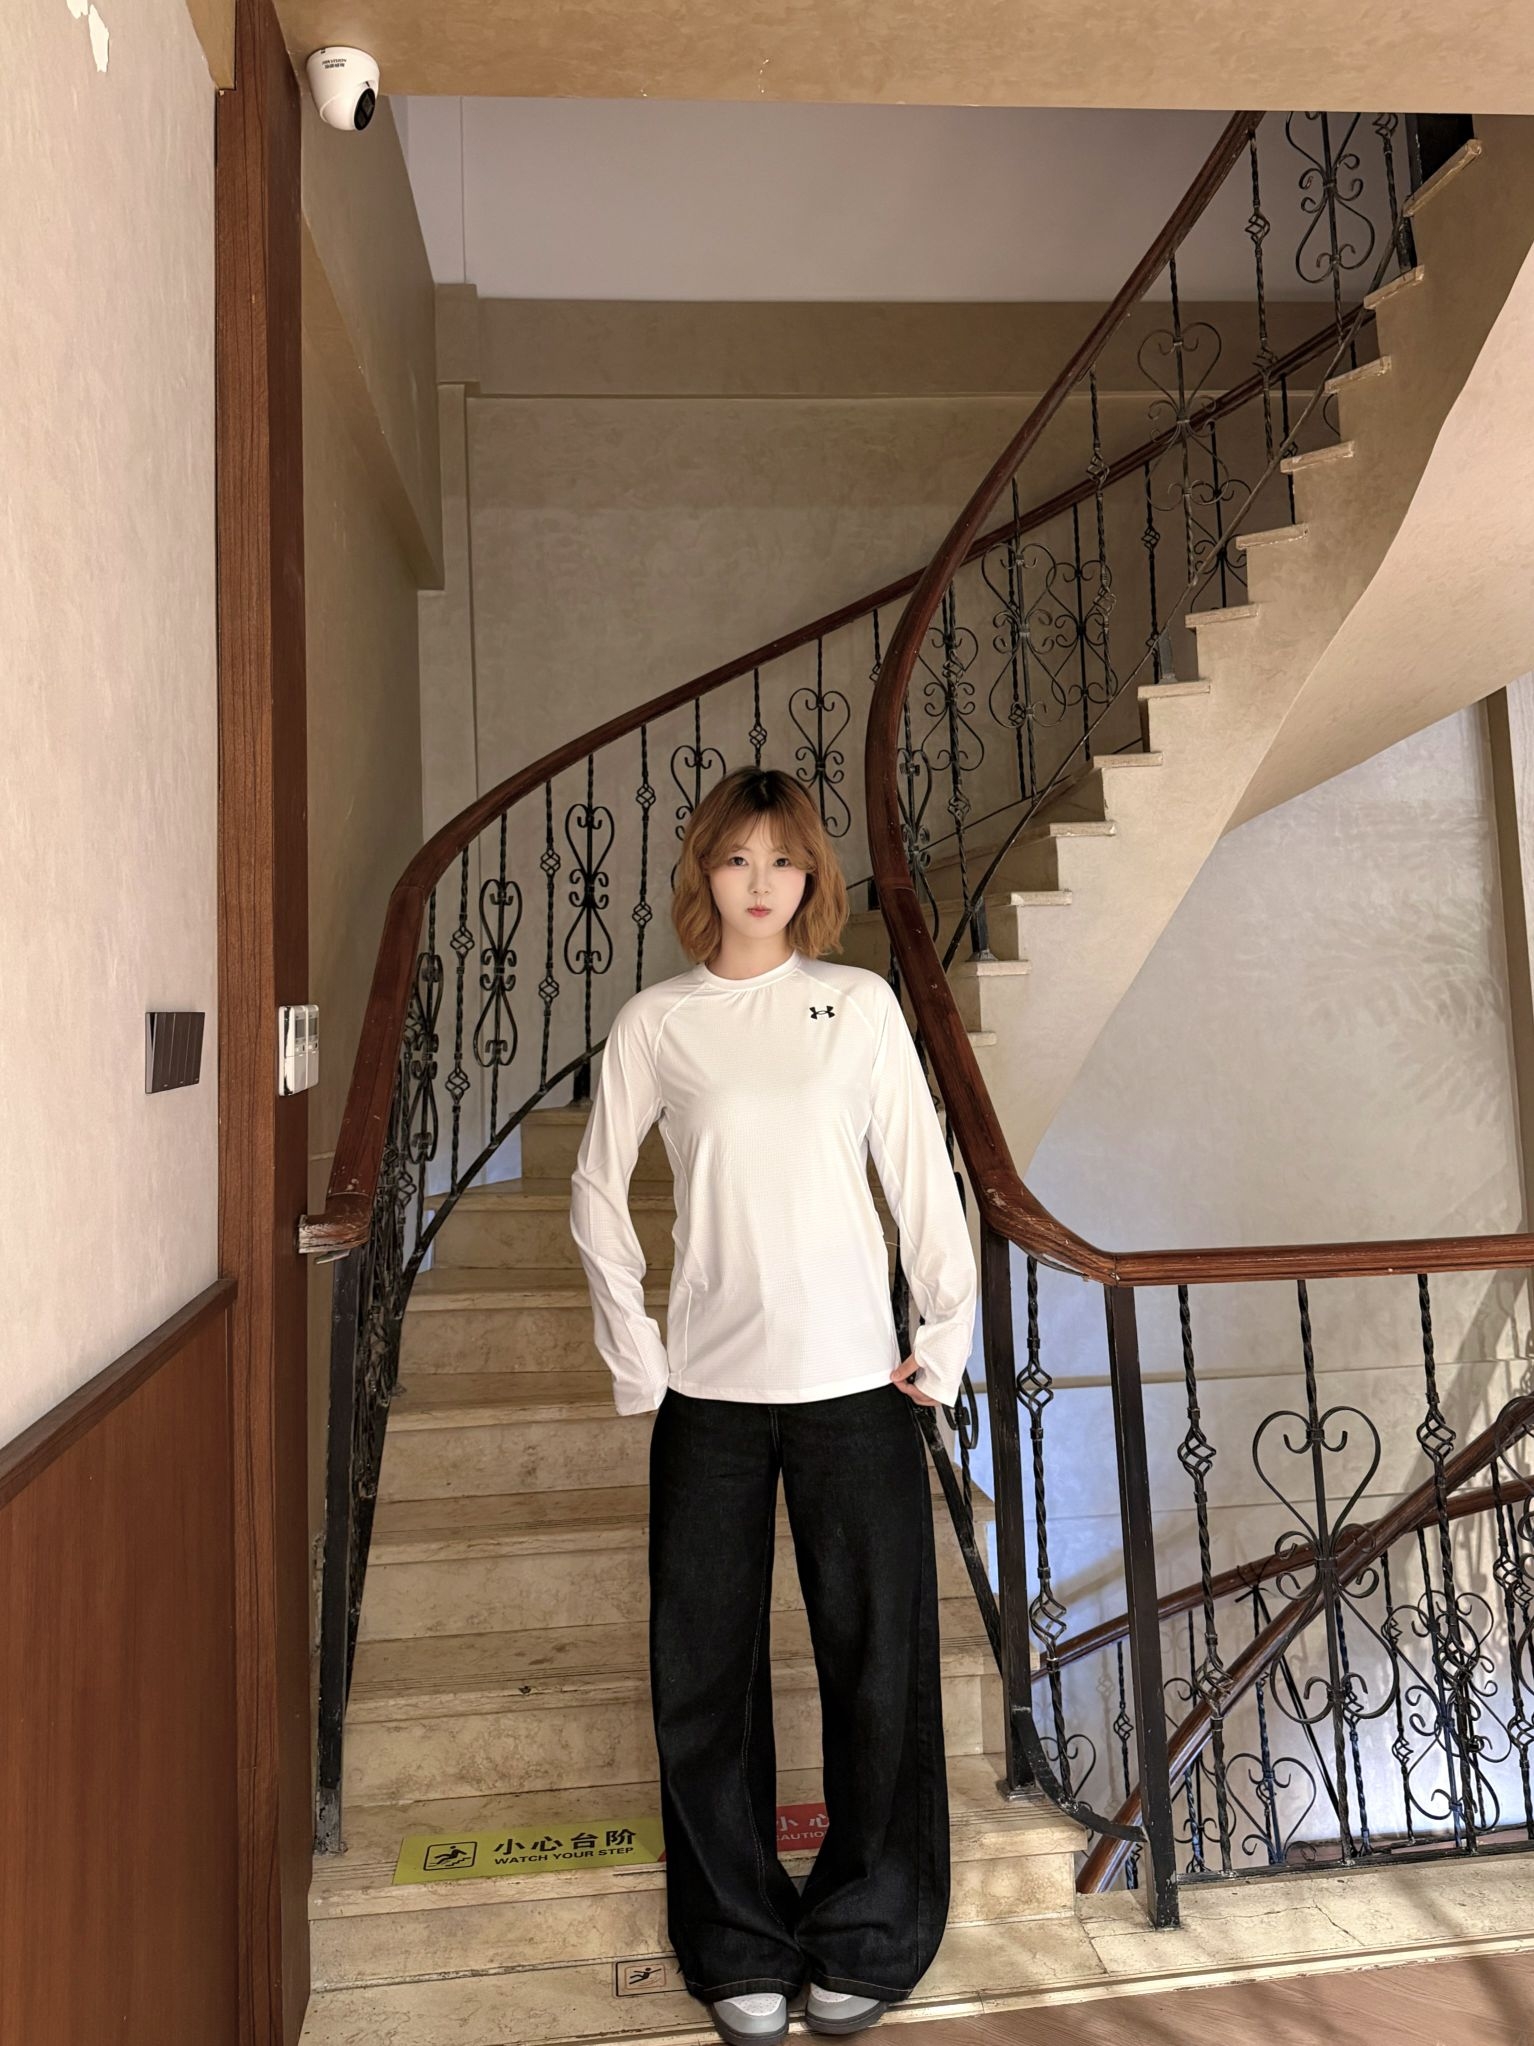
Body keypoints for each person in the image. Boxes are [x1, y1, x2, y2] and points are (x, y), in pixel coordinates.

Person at [568, 765, 979, 2046]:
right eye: (738, 859)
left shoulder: (856, 1007)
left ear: (812, 877)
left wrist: (941, 1342)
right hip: (709, 1396)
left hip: (855, 1387)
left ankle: (872, 1928)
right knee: (704, 1677)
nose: (761, 883)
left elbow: (921, 1178)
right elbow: (594, 1192)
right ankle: (735, 1938)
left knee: (879, 1663)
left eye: (784, 861)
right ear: (705, 870)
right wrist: (639, 1356)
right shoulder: (657, 1023)